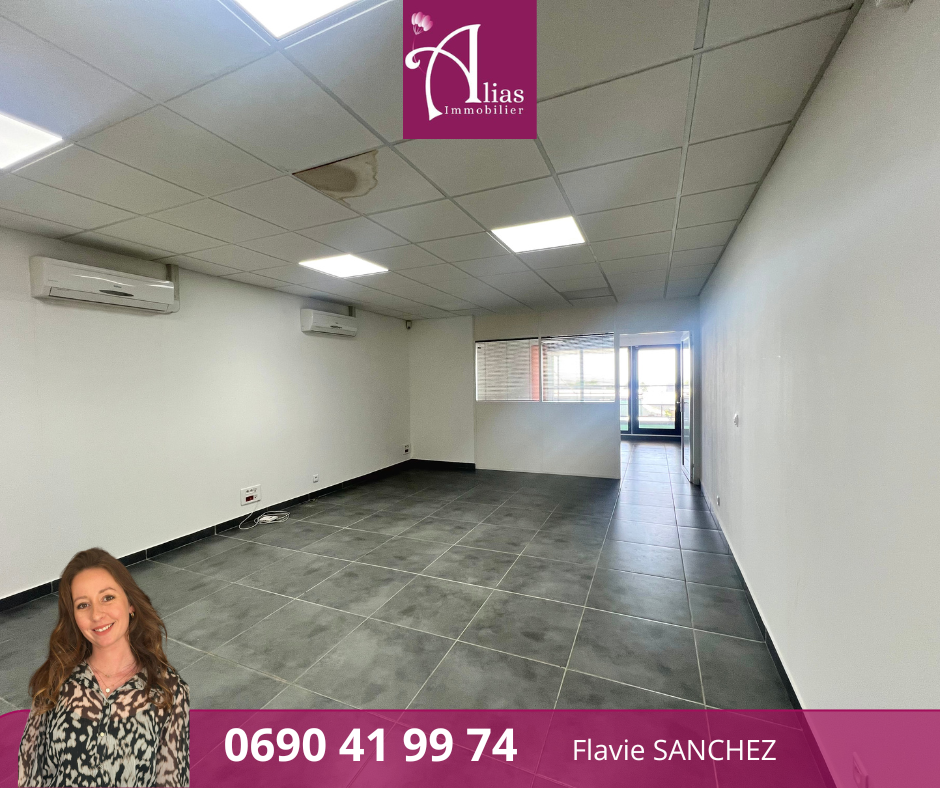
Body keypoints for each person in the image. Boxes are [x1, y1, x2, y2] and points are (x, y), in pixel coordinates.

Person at [18, 549, 190, 787]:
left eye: (107, 598)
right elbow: (31, 768)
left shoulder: (169, 690)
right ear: (73, 617)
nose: (96, 614)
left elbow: (172, 780)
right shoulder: (55, 679)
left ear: (131, 604)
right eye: (83, 605)